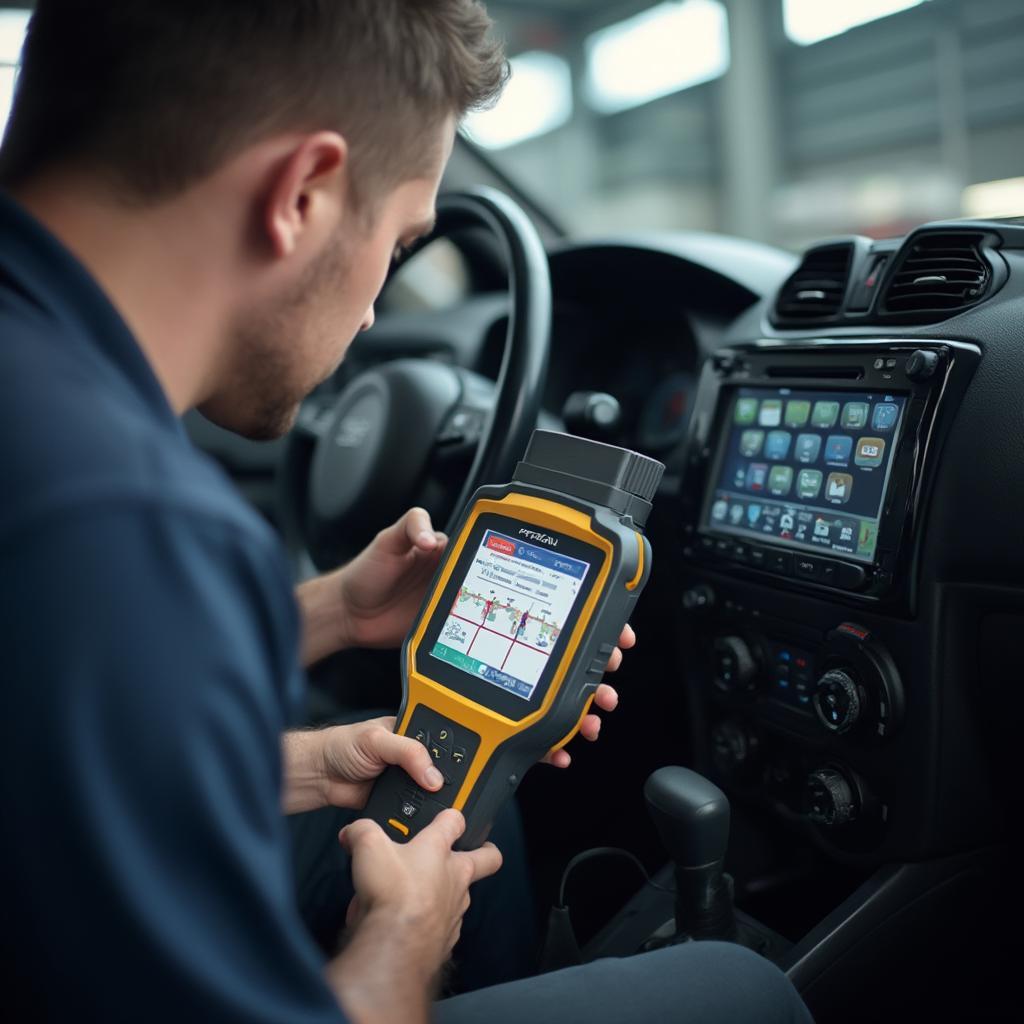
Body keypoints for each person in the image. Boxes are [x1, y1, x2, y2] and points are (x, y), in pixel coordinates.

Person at [0, 2, 813, 1022]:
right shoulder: (124, 521)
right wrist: (403, 938)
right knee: (739, 991)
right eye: (397, 245)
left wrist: (330, 627)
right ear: (302, 193)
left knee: (463, 820)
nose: (379, 308)